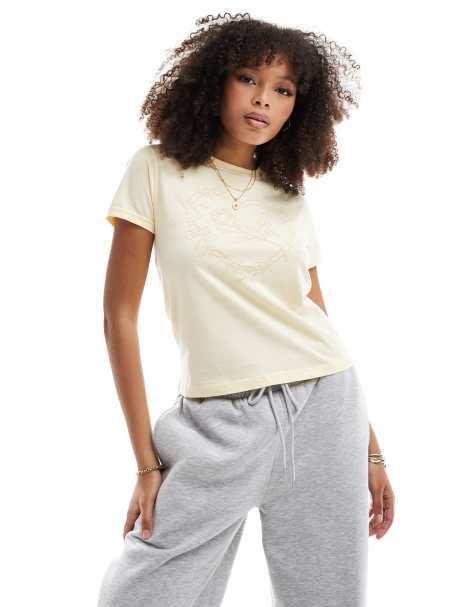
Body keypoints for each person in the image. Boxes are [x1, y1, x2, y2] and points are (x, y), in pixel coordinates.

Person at [96, 13, 395, 607]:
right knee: (142, 593)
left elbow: (315, 312)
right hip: (215, 424)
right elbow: (118, 318)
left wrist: (371, 447)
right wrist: (147, 465)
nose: (263, 99)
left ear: (297, 109)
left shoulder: (288, 194)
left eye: (284, 89)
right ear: (215, 82)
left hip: (325, 408)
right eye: (248, 78)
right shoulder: (154, 170)